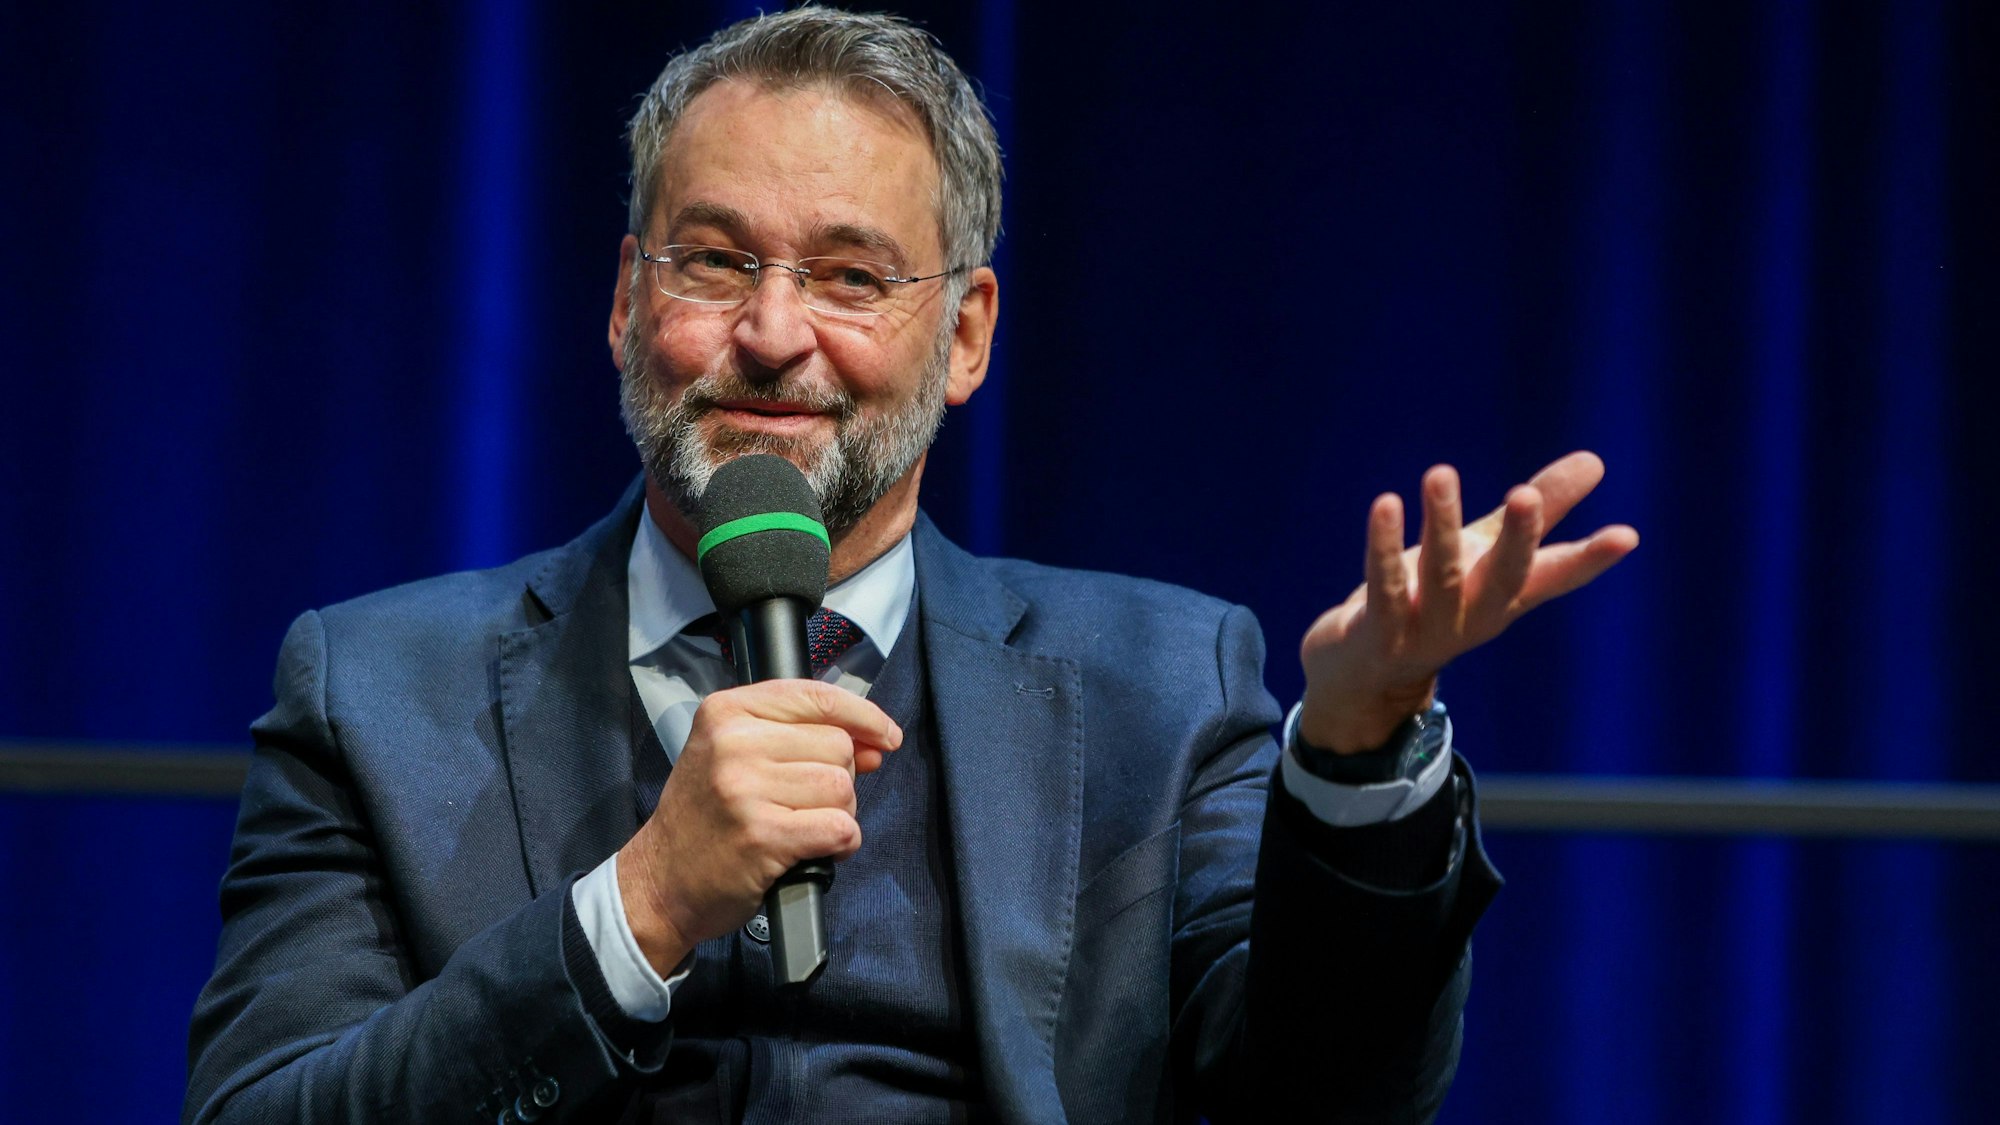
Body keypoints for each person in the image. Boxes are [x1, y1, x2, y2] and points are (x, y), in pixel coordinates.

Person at [184, 8, 1637, 1123]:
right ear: (630, 303)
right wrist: (638, 906)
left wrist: (1359, 747)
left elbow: (1333, 1094)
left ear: (966, 336)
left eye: (849, 276)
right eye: (712, 262)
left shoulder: (1160, 686)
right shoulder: (374, 690)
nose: (770, 331)